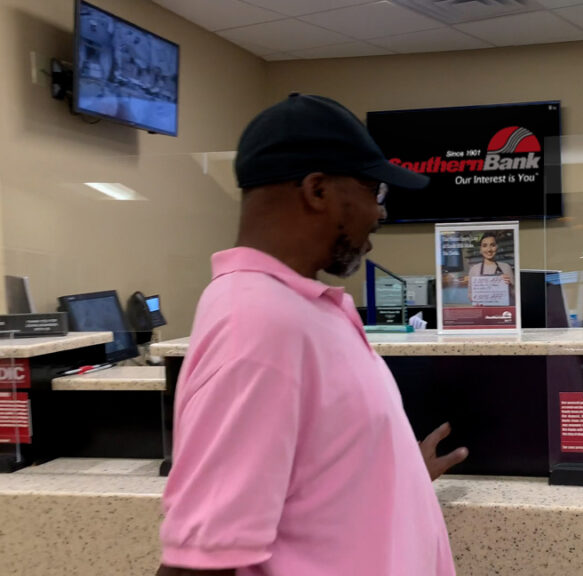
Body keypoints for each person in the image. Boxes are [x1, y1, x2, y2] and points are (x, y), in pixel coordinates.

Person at [158, 93, 468, 576]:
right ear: (317, 190)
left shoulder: (302, 309)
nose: (380, 212)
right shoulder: (258, 324)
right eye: (373, 190)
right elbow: (201, 564)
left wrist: (396, 476)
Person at [467, 231, 514, 305]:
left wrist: (510, 285)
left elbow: (515, 295)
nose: (489, 249)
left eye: (492, 245)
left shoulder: (506, 267)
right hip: (482, 310)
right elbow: (470, 294)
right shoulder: (474, 269)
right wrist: (476, 299)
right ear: (480, 249)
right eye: (484, 245)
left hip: (502, 311)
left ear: (497, 247)